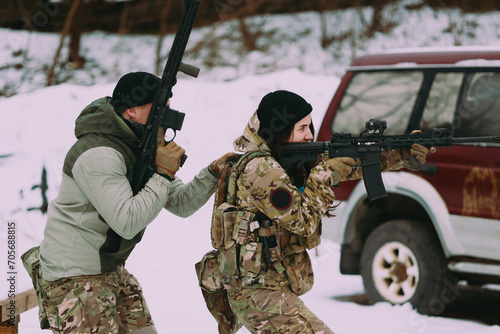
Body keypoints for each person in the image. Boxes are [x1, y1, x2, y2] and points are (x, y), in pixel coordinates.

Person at [22, 72, 238, 334]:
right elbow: (127, 222)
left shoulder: (139, 146)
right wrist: (162, 174)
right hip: (75, 279)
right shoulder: (99, 153)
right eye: (159, 108)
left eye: (167, 107)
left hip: (109, 269)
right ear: (132, 111)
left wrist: (212, 173)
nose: (166, 114)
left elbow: (181, 203)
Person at [199, 90, 431, 334]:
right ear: (280, 130)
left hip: (267, 287)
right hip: (256, 293)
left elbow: (350, 165)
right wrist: (325, 175)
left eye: (310, 126)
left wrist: (401, 154)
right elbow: (303, 221)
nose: (310, 135)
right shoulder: (262, 170)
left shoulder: (283, 159)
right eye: (302, 128)